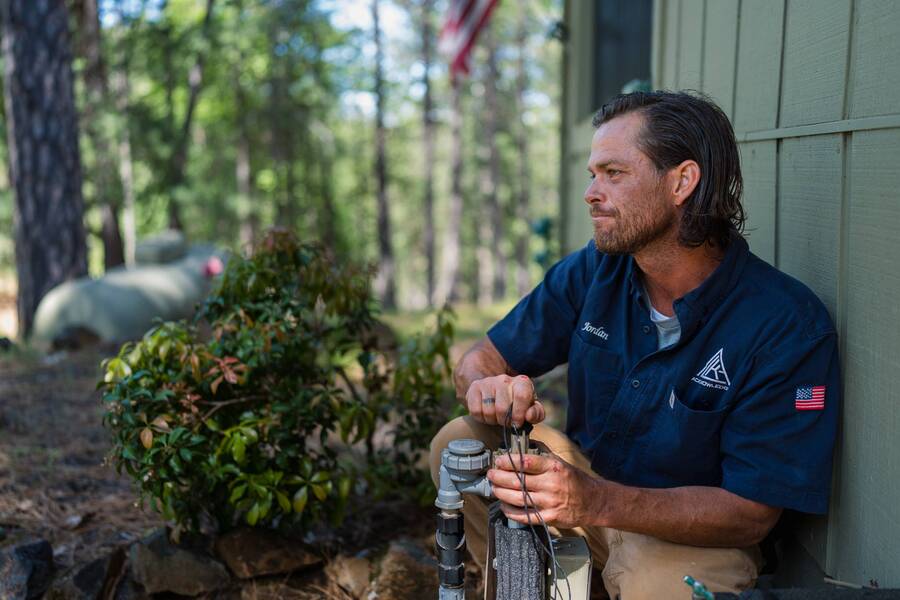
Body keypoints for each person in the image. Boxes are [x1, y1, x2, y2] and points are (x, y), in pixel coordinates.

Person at [429, 91, 839, 599]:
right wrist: (486, 387)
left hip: (691, 535)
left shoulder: (784, 324)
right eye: (592, 174)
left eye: (614, 174)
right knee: (460, 440)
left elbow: (749, 515)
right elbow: (481, 358)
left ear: (682, 182)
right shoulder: (596, 269)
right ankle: (519, 586)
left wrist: (594, 501)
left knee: (660, 587)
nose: (591, 193)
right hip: (586, 495)